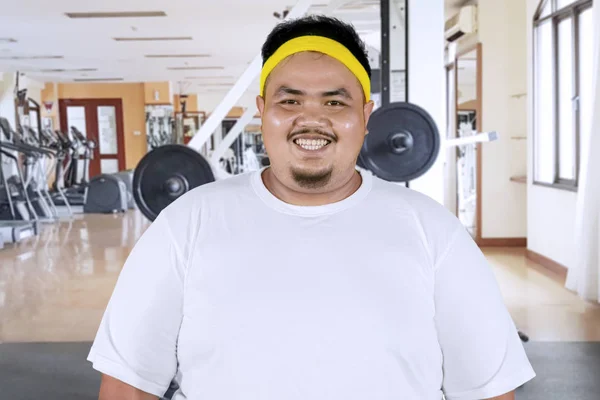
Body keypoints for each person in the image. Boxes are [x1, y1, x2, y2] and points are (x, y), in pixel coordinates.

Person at [89, 15, 535, 400]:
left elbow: (488, 389)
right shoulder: (186, 224)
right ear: (263, 112)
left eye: (335, 102)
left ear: (365, 114)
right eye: (290, 100)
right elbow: (128, 385)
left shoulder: (434, 232)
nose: (312, 117)